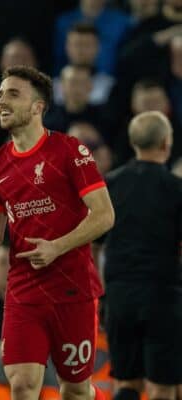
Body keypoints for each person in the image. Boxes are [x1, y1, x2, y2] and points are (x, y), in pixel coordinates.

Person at [0, 65, 115, 400]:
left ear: (38, 106)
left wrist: (57, 247)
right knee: (22, 385)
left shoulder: (70, 150)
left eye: (13, 94)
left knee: (74, 390)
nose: (2, 102)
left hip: (72, 288)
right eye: (1, 95)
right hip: (24, 291)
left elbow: (104, 215)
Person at [100, 111, 182, 400]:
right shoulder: (176, 189)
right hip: (163, 297)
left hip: (120, 296)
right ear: (165, 143)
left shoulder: (110, 185)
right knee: (162, 387)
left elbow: (92, 243)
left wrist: (102, 293)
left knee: (126, 383)